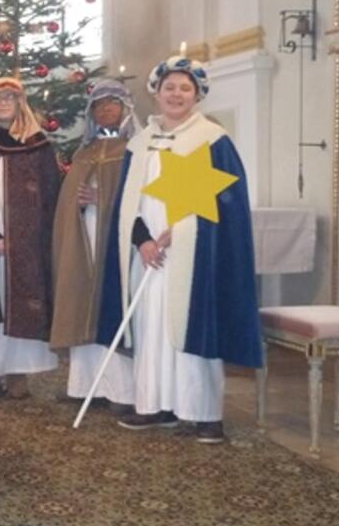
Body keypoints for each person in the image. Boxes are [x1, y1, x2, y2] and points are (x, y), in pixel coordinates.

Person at [97, 58, 262, 443]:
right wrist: (143, 241)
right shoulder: (139, 145)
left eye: (184, 88)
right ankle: (154, 404)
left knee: (192, 327)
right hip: (148, 255)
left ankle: (203, 413)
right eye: (169, 87)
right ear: (156, 91)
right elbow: (127, 204)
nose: (176, 94)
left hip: (193, 255)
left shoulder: (211, 140)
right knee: (151, 328)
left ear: (197, 94)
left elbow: (229, 202)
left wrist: (188, 228)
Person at [0, 77, 61, 399]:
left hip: (29, 243)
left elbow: (51, 195)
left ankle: (19, 371)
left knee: (22, 300)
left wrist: (32, 237)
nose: (3, 103)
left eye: (10, 98)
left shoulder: (39, 145)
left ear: (20, 103)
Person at [51, 79, 138, 411]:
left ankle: (120, 390)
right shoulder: (84, 153)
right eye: (99, 105)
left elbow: (140, 198)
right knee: (82, 299)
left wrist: (105, 200)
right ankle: (85, 385)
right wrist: (82, 205)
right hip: (84, 234)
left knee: (110, 302)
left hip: (117, 239)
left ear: (125, 108)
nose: (106, 109)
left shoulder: (135, 149)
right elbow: (68, 199)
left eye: (112, 103)